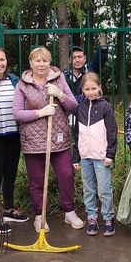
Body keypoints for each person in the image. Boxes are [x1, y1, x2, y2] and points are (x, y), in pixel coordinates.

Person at [13, 47, 84, 233]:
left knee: (66, 175)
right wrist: (39, 113)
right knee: (37, 180)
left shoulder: (58, 79)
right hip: (33, 142)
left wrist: (60, 94)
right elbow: (17, 113)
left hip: (59, 139)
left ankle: (69, 212)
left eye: (45, 60)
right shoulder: (23, 85)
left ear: (49, 62)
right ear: (31, 63)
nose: (41, 64)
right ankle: (40, 216)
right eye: (37, 61)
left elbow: (74, 105)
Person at [0, 46, 29, 235]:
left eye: (2, 59)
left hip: (13, 135)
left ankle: (9, 210)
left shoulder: (15, 81)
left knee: (10, 175)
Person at [72, 72, 118, 236]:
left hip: (101, 157)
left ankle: (108, 218)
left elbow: (112, 132)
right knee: (88, 189)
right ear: (82, 90)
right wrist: (76, 156)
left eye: (94, 88)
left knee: (104, 189)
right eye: (87, 89)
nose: (91, 92)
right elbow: (77, 133)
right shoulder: (80, 109)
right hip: (85, 157)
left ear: (99, 88)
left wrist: (110, 155)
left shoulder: (105, 107)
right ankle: (91, 217)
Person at [64, 30, 109, 105]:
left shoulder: (90, 69)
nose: (77, 60)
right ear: (69, 60)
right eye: (74, 57)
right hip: (71, 113)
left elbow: (101, 56)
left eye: (80, 57)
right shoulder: (64, 76)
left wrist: (103, 35)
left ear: (85, 58)